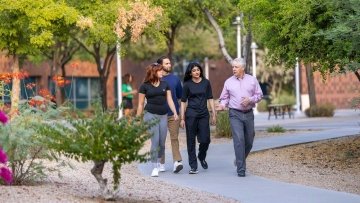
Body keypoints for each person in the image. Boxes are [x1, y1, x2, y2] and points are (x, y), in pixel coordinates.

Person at [215, 58, 263, 177]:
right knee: (239, 140)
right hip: (234, 114)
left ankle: (239, 159)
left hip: (248, 113)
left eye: (236, 67)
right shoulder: (228, 82)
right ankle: (241, 169)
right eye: (233, 67)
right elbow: (224, 97)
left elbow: (259, 95)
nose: (233, 69)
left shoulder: (252, 80)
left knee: (249, 140)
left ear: (243, 68)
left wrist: (250, 100)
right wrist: (222, 105)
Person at [136, 63, 179, 177]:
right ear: (154, 72)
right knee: (155, 140)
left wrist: (174, 112)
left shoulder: (165, 84)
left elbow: (169, 100)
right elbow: (140, 104)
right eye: (160, 70)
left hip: (163, 115)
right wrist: (137, 119)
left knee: (162, 142)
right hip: (150, 114)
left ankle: (159, 161)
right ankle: (154, 166)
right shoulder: (144, 86)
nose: (162, 72)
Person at [180, 62, 216, 174]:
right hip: (191, 114)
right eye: (194, 70)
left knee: (205, 140)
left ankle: (201, 156)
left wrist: (214, 113)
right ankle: (193, 166)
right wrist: (182, 118)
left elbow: (210, 98)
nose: (196, 72)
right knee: (191, 141)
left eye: (198, 70)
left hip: (204, 114)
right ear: (190, 73)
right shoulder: (187, 84)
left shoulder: (206, 83)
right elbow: (183, 102)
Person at [157, 56, 184, 173]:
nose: (169, 65)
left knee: (174, 138)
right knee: (160, 140)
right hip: (159, 114)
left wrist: (180, 114)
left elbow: (180, 97)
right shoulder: (155, 79)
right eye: (166, 63)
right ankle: (161, 163)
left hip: (173, 115)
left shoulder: (175, 79)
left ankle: (177, 162)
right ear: (160, 65)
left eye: (169, 63)